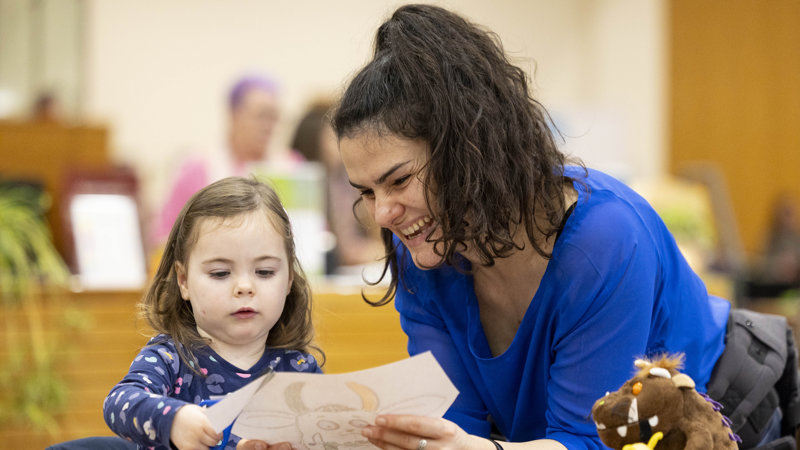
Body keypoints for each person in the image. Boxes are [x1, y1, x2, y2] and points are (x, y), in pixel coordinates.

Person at [267, 4, 792, 450]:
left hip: (722, 417)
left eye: (399, 180)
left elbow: (588, 441)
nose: (383, 214)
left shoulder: (602, 238)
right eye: (367, 192)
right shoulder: (421, 256)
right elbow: (457, 426)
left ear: (466, 150)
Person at [104, 176, 322, 450]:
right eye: (220, 273)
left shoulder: (300, 369)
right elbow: (119, 403)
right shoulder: (170, 357)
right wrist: (174, 420)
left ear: (289, 277)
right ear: (183, 281)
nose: (245, 287)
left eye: (265, 272)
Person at [154, 74, 296, 245]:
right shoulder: (198, 169)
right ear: (234, 114)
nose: (269, 126)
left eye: (275, 117)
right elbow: (165, 238)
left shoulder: (292, 168)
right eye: (262, 115)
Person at [290, 100, 383, 275]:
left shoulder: (345, 182)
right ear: (315, 139)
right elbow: (346, 251)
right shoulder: (303, 182)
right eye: (334, 135)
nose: (342, 142)